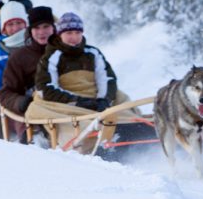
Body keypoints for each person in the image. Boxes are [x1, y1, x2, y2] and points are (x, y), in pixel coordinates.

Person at [25, 12, 139, 152]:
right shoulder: (51, 57)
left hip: (96, 99)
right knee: (74, 122)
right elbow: (46, 88)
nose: (74, 37)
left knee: (122, 105)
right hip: (67, 105)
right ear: (60, 34)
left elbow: (107, 78)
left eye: (77, 32)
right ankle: (90, 142)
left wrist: (104, 99)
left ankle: (134, 130)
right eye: (69, 33)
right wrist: (78, 101)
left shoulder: (92, 53)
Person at [0, 6, 57, 139]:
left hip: (63, 104)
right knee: (35, 135)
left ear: (53, 28)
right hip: (32, 110)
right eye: (36, 28)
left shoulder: (64, 50)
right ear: (30, 30)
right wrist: (22, 103)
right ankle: (36, 143)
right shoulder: (20, 57)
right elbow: (4, 94)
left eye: (46, 26)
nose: (42, 32)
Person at [0, 1, 28, 108]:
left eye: (19, 22)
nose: (16, 28)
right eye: (10, 24)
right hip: (10, 102)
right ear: (3, 29)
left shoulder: (35, 43)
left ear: (26, 24)